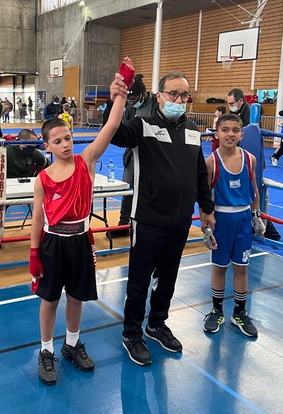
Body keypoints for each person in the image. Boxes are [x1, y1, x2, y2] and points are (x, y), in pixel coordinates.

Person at [107, 69, 215, 367]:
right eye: (173, 94)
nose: (179, 100)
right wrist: (115, 98)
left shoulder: (192, 130)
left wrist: (206, 208)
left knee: (167, 279)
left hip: (180, 221)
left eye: (184, 95)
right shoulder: (142, 126)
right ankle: (131, 333)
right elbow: (113, 132)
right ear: (159, 96)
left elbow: (199, 173)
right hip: (148, 219)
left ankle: (156, 324)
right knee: (139, 281)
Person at [30, 59, 128, 385]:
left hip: (81, 240)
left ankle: (71, 345)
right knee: (50, 299)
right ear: (46, 146)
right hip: (52, 243)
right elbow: (38, 218)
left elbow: (111, 126)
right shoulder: (43, 178)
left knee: (76, 296)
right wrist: (34, 253)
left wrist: (120, 94)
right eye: (58, 141)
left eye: (68, 137)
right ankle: (46, 350)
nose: (65, 144)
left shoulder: (87, 161)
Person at [202, 114, 264, 338]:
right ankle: (216, 311)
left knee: (241, 267)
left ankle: (239, 312)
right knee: (219, 267)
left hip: (244, 219)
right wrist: (205, 226)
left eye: (235, 130)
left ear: (242, 134)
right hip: (221, 220)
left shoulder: (250, 159)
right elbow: (204, 197)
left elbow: (254, 189)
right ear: (217, 133)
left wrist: (257, 217)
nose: (230, 134)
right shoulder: (211, 162)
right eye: (225, 129)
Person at [0, 129, 50, 249]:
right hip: (6, 190)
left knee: (47, 201)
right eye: (30, 143)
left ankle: (46, 232)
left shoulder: (34, 153)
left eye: (35, 143)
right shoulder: (6, 151)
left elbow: (49, 167)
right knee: (1, 205)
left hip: (27, 188)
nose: (33, 146)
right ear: (21, 141)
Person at [101, 73, 152, 239]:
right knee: (127, 190)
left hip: (151, 157)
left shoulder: (156, 106)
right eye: (129, 100)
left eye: (134, 98)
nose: (131, 102)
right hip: (132, 156)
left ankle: (147, 224)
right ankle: (124, 224)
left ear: (143, 94)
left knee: (150, 191)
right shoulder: (130, 108)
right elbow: (121, 129)